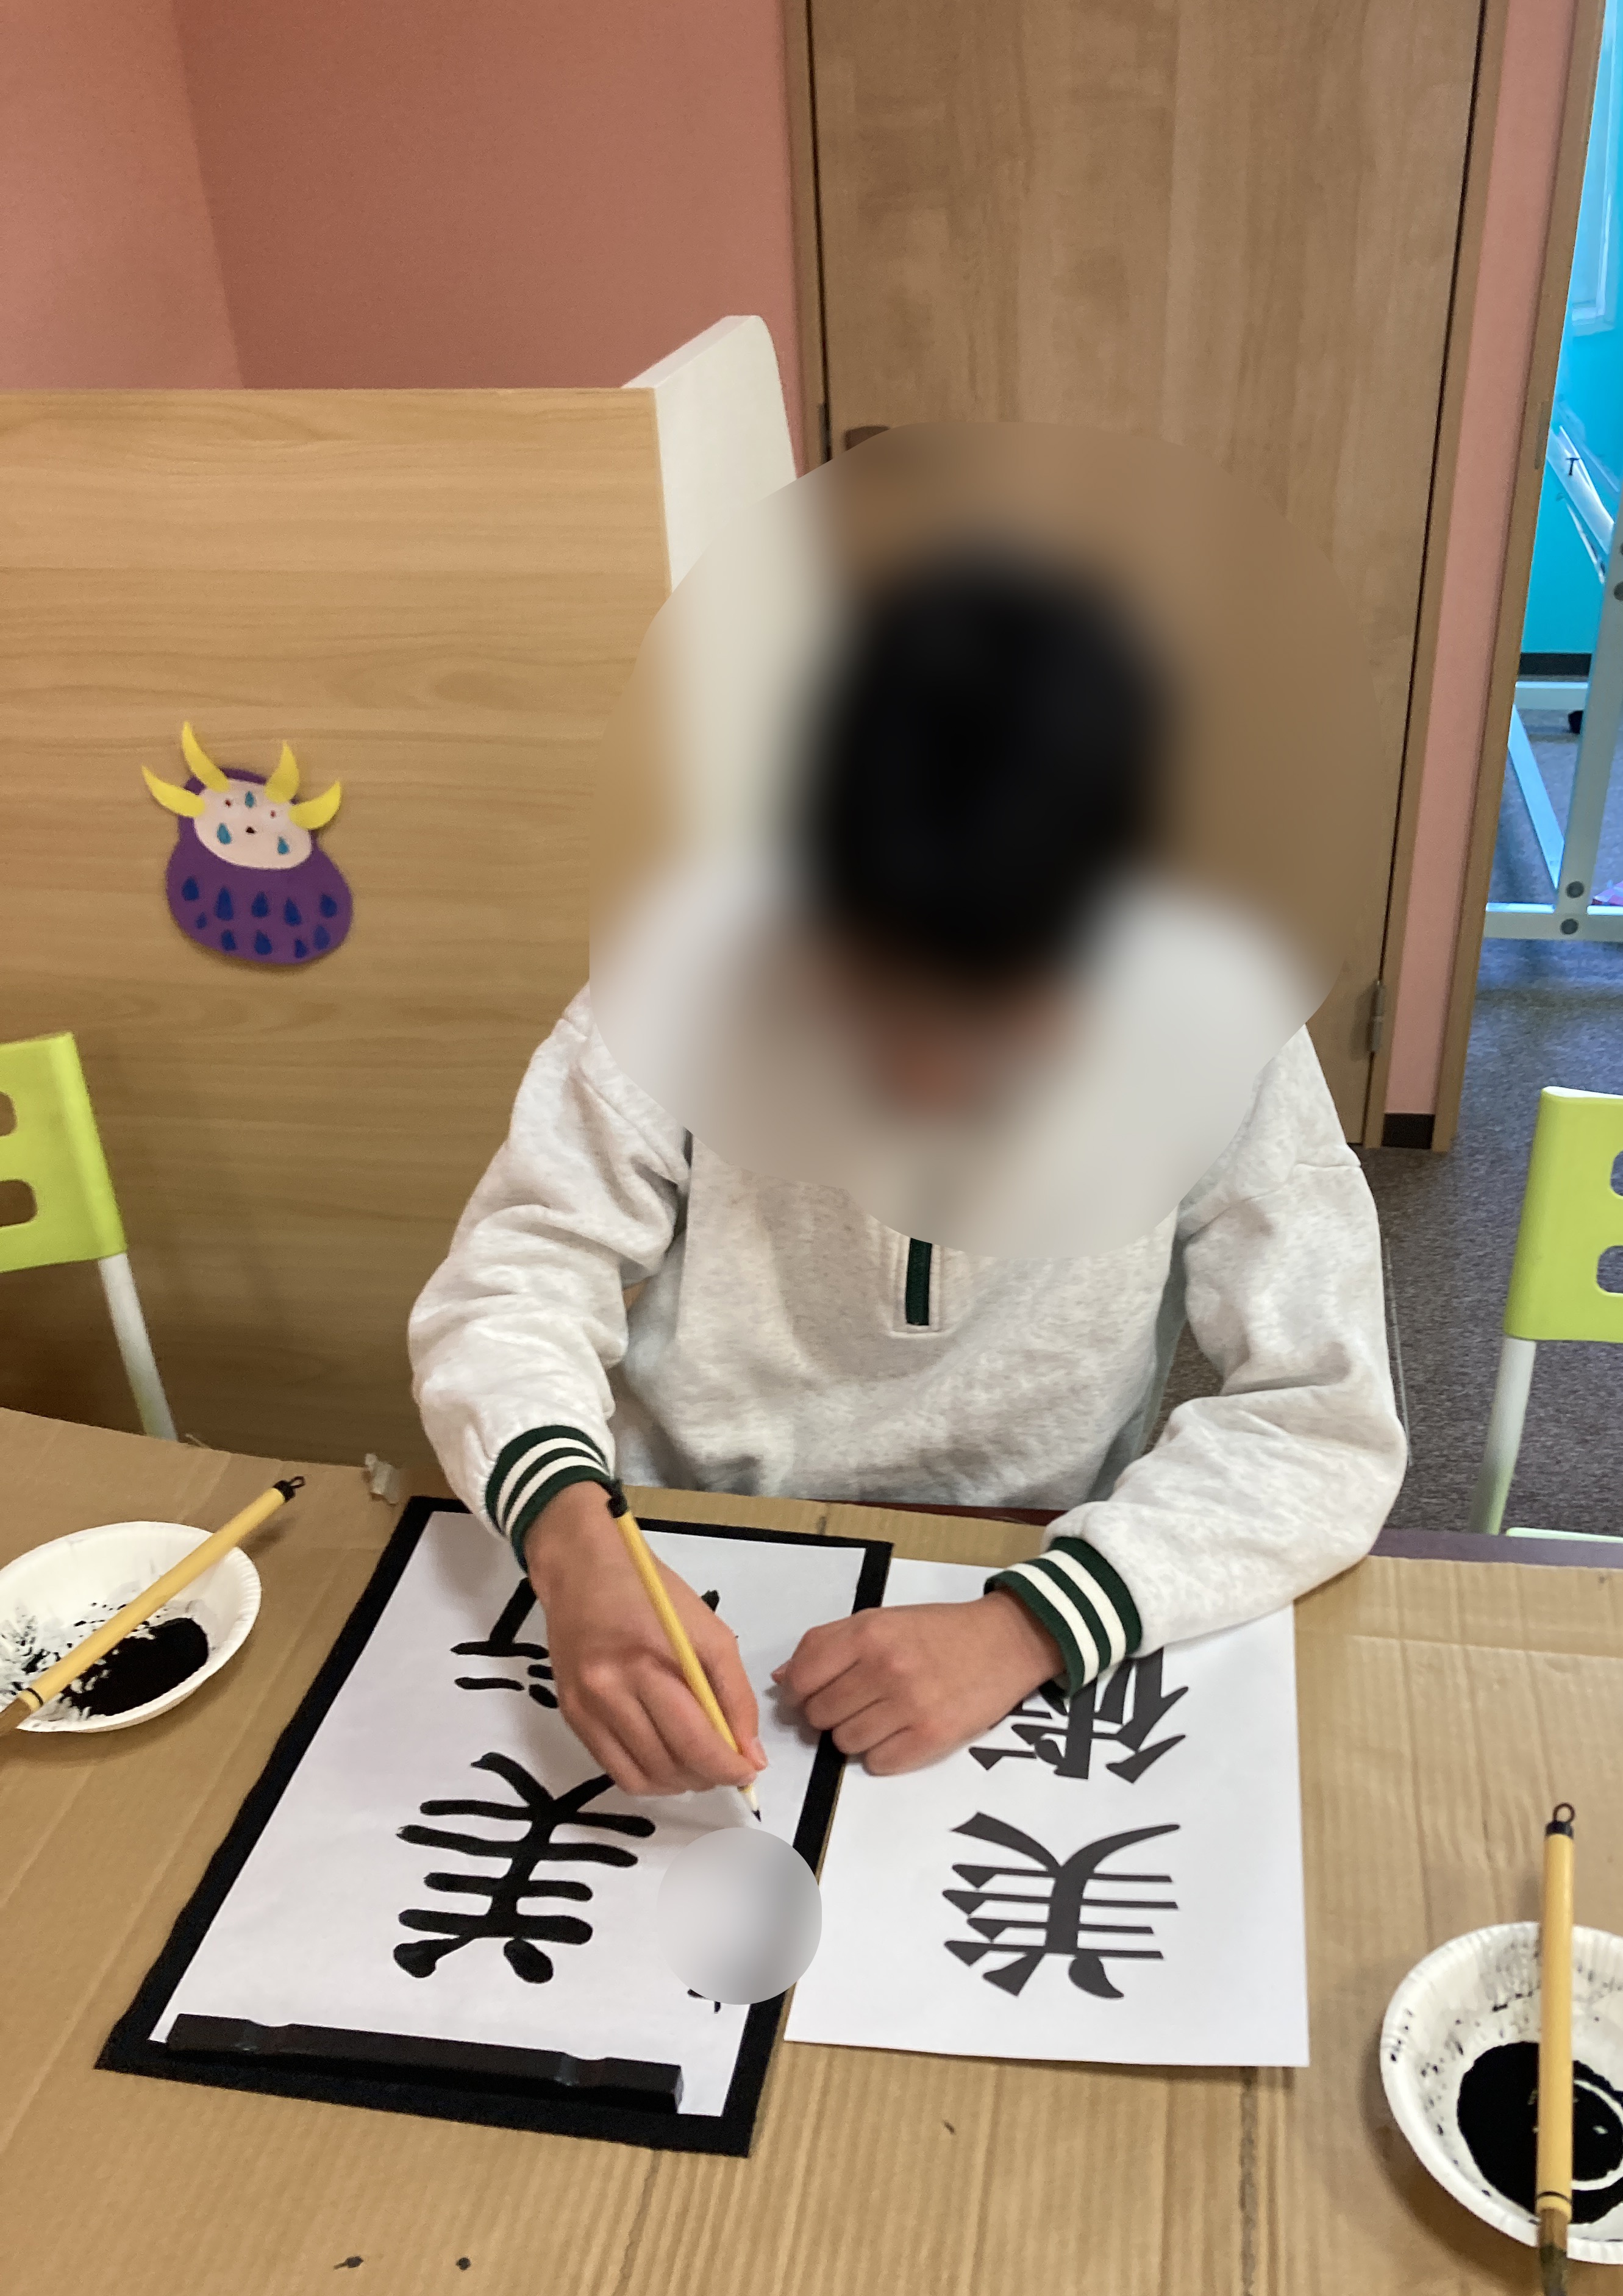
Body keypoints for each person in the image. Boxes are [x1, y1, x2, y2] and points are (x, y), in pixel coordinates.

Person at [408, 554, 1406, 1797]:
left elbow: (1322, 1416)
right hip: (685, 1538)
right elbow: (513, 1283)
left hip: (1027, 1549)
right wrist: (570, 1536)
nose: (932, 1074)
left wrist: (1032, 1625)